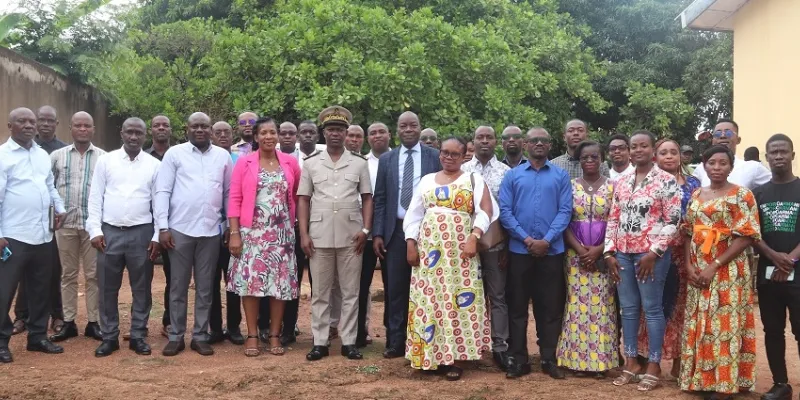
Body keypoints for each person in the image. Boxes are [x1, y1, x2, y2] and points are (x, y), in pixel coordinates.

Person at [403, 136, 495, 380]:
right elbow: (413, 215)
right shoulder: (425, 181)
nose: (449, 157)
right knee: (430, 300)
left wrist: (474, 236)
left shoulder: (473, 179)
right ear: (439, 153)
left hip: (461, 253)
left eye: (455, 154)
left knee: (457, 301)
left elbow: (486, 210)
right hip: (429, 253)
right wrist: (411, 244)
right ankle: (429, 356)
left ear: (464, 155)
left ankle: (455, 358)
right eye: (445, 152)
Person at [680, 145, 760, 399]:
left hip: (727, 270)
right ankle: (702, 380)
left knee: (724, 325)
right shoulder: (695, 194)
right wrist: (689, 265)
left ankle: (725, 384)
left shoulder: (742, 195)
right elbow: (687, 232)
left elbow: (746, 237)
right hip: (697, 268)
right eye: (712, 163)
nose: (717, 167)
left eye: (722, 163)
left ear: (731, 167)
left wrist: (714, 265)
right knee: (701, 323)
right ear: (704, 165)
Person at [605, 130, 681, 392]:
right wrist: (609, 252)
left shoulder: (666, 181)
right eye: (633, 147)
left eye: (643, 146)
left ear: (652, 150)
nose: (638, 151)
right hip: (623, 254)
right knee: (628, 309)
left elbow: (673, 220)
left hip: (650, 256)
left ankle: (653, 365)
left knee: (652, 309)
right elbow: (614, 218)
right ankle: (631, 362)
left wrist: (654, 253)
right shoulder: (623, 181)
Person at [154, 112, 233, 357]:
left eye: (204, 126)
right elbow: (162, 191)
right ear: (187, 129)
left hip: (210, 231)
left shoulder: (222, 156)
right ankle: (176, 336)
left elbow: (229, 193)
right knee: (177, 285)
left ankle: (200, 335)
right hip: (179, 230)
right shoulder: (174, 154)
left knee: (206, 286)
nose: (200, 130)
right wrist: (163, 228)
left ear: (210, 130)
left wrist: (230, 225)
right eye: (195, 126)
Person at [298, 106, 373, 361]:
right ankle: (319, 342)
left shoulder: (359, 163)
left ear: (346, 133)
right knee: (320, 291)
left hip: (352, 235)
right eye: (331, 129)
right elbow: (303, 199)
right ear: (324, 133)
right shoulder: (311, 164)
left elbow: (367, 198)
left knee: (350, 291)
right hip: (318, 234)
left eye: (340, 130)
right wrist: (304, 234)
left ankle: (349, 341)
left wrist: (365, 229)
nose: (335, 134)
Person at [499, 127, 572, 379]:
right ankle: (519, 360)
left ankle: (549, 359)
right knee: (517, 306)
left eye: (543, 140)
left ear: (550, 145)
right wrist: (528, 239)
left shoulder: (561, 176)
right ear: (526, 144)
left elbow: (565, 211)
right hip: (520, 250)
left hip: (552, 252)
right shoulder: (513, 176)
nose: (539, 144)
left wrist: (547, 240)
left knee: (550, 307)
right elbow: (505, 212)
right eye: (534, 140)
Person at [87, 118, 161, 357]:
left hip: (142, 233)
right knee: (108, 288)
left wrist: (158, 234)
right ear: (121, 133)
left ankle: (138, 335)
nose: (133, 137)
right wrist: (95, 230)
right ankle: (109, 337)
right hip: (109, 233)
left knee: (142, 288)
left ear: (145, 135)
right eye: (129, 132)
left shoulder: (153, 165)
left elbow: (159, 203)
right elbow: (95, 197)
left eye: (138, 133)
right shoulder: (106, 161)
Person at [227, 117, 301, 357]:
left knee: (279, 285)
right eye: (264, 133)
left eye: (273, 132)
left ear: (278, 136)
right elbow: (235, 199)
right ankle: (251, 335)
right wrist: (235, 233)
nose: (269, 137)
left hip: (282, 233)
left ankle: (275, 335)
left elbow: (298, 195)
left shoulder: (290, 163)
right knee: (251, 284)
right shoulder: (244, 162)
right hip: (252, 233)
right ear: (256, 137)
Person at [0, 107, 67, 363]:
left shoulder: (40, 155)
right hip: (12, 236)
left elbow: (49, 185)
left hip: (43, 235)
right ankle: (1, 341)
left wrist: (59, 208)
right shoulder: (3, 156)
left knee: (41, 289)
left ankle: (37, 336)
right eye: (22, 121)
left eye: (32, 121)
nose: (29, 125)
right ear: (10, 125)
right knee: (4, 292)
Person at [373, 111, 441, 359]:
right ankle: (395, 341)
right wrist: (378, 232)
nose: (409, 129)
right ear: (397, 130)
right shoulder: (387, 159)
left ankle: (425, 339)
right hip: (396, 232)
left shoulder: (435, 157)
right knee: (396, 288)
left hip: (429, 232)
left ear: (420, 128)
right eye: (404, 126)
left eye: (413, 125)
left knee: (427, 288)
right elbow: (380, 198)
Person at [635, 139, 701, 380]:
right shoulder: (645, 182)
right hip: (652, 253)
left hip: (683, 253)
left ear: (681, 157)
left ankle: (678, 361)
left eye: (674, 152)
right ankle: (647, 359)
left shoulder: (694, 185)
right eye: (664, 153)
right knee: (651, 306)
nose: (670, 156)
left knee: (680, 308)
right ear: (655, 156)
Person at [555, 140, 618, 377]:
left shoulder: (614, 187)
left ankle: (600, 362)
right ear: (579, 161)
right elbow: (564, 221)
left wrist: (599, 250)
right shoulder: (569, 187)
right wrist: (581, 251)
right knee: (576, 306)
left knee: (603, 306)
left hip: (604, 254)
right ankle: (577, 361)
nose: (589, 161)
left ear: (602, 159)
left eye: (594, 157)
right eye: (584, 158)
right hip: (575, 256)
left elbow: (617, 222)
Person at [49, 111, 106, 343]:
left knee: (94, 275)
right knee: (68, 274)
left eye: (87, 126)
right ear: (70, 128)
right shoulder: (56, 157)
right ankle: (69, 322)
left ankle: (94, 322)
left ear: (93, 129)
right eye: (78, 125)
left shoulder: (103, 158)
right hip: (65, 225)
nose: (83, 129)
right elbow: (48, 189)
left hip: (92, 227)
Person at [753, 134, 800, 400]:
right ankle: (781, 384)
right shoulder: (759, 194)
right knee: (772, 329)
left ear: (793, 155)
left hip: (798, 274)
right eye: (774, 152)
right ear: (766, 157)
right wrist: (773, 256)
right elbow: (752, 234)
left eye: (784, 151)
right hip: (768, 275)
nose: (779, 156)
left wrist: (790, 260)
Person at [272, 119, 327, 345]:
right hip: (293, 228)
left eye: (310, 132)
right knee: (291, 278)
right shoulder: (286, 160)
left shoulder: (324, 158)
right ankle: (288, 328)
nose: (306, 136)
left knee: (320, 282)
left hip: (320, 226)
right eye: (301, 132)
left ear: (317, 135)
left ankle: (320, 331)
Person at [461, 126, 512, 370]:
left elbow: (510, 212)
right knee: (466, 296)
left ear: (496, 142)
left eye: (489, 137)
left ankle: (500, 346)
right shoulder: (461, 171)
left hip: (496, 244)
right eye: (479, 137)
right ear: (473, 141)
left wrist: (507, 245)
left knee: (498, 296)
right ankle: (469, 345)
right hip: (464, 245)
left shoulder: (506, 172)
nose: (484, 141)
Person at [355, 122, 392, 348]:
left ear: (390, 135)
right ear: (367, 138)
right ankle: (359, 333)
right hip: (363, 235)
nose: (377, 136)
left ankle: (394, 335)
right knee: (359, 286)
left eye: (381, 131)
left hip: (390, 235)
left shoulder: (397, 161)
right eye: (372, 133)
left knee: (393, 286)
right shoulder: (360, 164)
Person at [208, 121, 244, 345]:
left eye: (227, 132)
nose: (222, 135)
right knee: (211, 281)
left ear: (233, 135)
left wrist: (234, 229)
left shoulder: (240, 161)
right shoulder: (207, 160)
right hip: (210, 231)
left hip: (234, 230)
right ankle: (214, 328)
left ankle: (234, 327)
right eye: (218, 132)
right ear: (212, 135)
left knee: (234, 281)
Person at [145, 115, 173, 338]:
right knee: (142, 277)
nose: (161, 128)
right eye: (157, 125)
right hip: (145, 225)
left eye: (165, 125)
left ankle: (169, 321)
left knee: (174, 277)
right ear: (150, 130)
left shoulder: (179, 156)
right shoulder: (142, 158)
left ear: (171, 130)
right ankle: (140, 323)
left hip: (172, 227)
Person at [692, 119, 771, 189]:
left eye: (728, 133)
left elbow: (777, 188)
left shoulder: (753, 168)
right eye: (718, 134)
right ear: (713, 140)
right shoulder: (701, 169)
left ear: (738, 140)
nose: (722, 136)